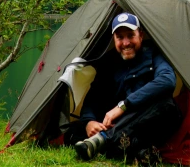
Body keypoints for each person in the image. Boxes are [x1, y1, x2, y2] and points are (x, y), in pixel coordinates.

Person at [66, 12, 183, 162]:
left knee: (166, 104)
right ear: (114, 39)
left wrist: (123, 106)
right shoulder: (109, 62)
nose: (126, 43)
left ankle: (104, 141)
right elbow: (92, 99)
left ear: (140, 35)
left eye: (130, 35)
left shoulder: (154, 53)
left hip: (151, 121)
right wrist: (90, 122)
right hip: (122, 127)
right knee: (73, 131)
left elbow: (167, 81)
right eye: (120, 37)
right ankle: (135, 151)